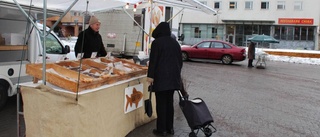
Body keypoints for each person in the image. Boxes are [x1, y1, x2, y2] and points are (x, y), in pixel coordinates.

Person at [147, 22, 183, 136]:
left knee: (161, 104)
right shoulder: (175, 43)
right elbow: (180, 62)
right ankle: (170, 128)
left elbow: (153, 61)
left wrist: (150, 76)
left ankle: (161, 129)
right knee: (169, 103)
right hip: (173, 79)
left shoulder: (156, 43)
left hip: (161, 79)